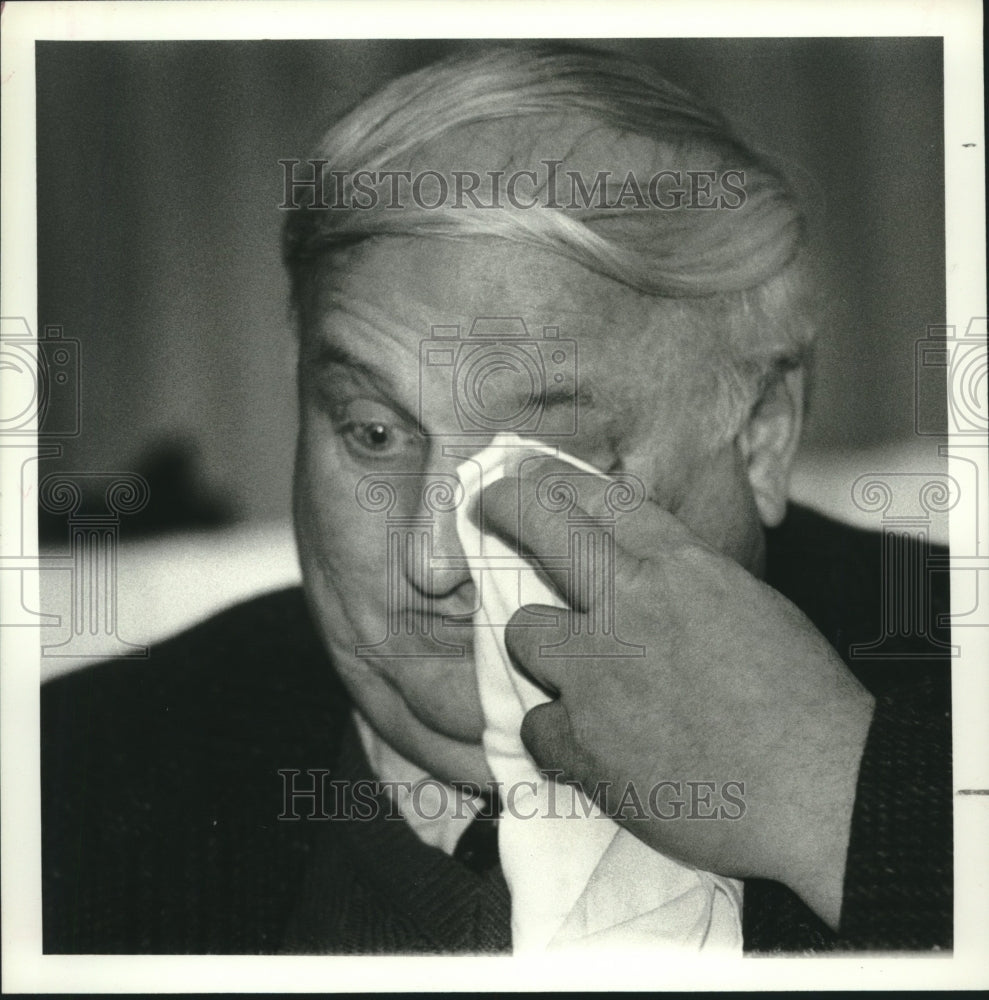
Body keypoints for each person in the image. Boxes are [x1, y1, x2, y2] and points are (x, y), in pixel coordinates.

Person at [41, 44, 951, 954]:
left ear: (759, 431)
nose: (431, 562)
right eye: (373, 432)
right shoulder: (73, 781)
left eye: (532, 451)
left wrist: (837, 803)